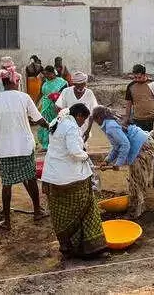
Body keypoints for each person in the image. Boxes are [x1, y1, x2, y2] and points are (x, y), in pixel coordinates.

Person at [0, 67, 49, 230]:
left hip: (5, 150)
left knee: (7, 184)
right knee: (31, 179)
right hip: (24, 146)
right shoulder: (24, 97)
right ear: (15, 81)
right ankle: (36, 211)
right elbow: (39, 119)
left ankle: (6, 220)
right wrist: (51, 127)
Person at [41, 103, 107, 257]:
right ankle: (92, 248)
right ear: (78, 116)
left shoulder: (57, 121)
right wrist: (86, 156)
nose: (82, 124)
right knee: (88, 207)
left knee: (60, 215)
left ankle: (66, 247)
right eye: (82, 121)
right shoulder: (70, 127)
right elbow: (74, 152)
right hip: (72, 177)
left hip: (53, 177)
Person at [93, 106, 154, 218]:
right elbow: (117, 145)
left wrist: (118, 163)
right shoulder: (110, 122)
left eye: (94, 119)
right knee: (137, 180)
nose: (94, 122)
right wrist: (107, 161)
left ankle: (135, 212)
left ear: (99, 117)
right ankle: (141, 206)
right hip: (143, 142)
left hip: (141, 147)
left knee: (136, 182)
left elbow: (125, 144)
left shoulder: (110, 127)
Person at [56, 71, 99, 141]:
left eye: (83, 84)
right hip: (68, 128)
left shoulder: (89, 93)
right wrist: (62, 123)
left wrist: (88, 131)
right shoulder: (66, 91)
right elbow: (58, 107)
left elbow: (92, 113)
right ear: (74, 84)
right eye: (78, 85)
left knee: (82, 148)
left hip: (84, 128)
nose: (81, 87)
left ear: (85, 83)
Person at [38, 65, 68, 150]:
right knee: (45, 124)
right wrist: (36, 104)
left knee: (57, 124)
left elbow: (64, 94)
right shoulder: (45, 82)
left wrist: (56, 98)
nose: (46, 76)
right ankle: (46, 144)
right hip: (46, 107)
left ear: (53, 73)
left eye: (48, 74)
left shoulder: (62, 82)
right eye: (45, 74)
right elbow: (41, 94)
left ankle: (58, 143)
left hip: (57, 107)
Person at [124, 64, 154, 132]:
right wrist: (126, 118)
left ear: (145, 75)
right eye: (135, 77)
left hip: (153, 119)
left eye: (139, 77)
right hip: (138, 120)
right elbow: (128, 103)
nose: (137, 79)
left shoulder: (153, 84)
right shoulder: (131, 86)